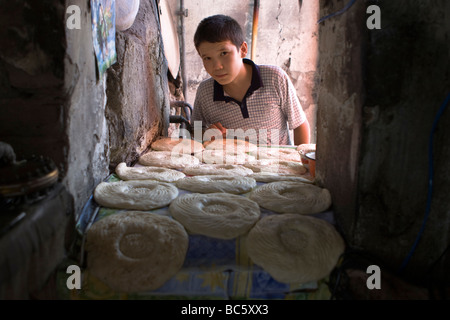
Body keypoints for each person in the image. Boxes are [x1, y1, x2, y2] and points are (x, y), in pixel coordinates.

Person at [191, 14, 310, 146]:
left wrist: (301, 163)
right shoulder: (205, 92)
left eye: (224, 53)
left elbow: (300, 125)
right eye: (207, 58)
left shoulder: (275, 78)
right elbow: (195, 132)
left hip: (277, 164)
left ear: (242, 50)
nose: (217, 66)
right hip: (230, 165)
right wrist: (206, 134)